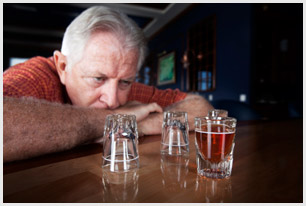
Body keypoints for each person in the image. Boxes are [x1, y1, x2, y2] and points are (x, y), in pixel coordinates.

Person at [3, 6, 213, 163]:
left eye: (125, 81)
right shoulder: (35, 76)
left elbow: (200, 108)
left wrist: (137, 125)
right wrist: (114, 120)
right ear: (63, 67)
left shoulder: (124, 87)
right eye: (98, 78)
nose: (113, 100)